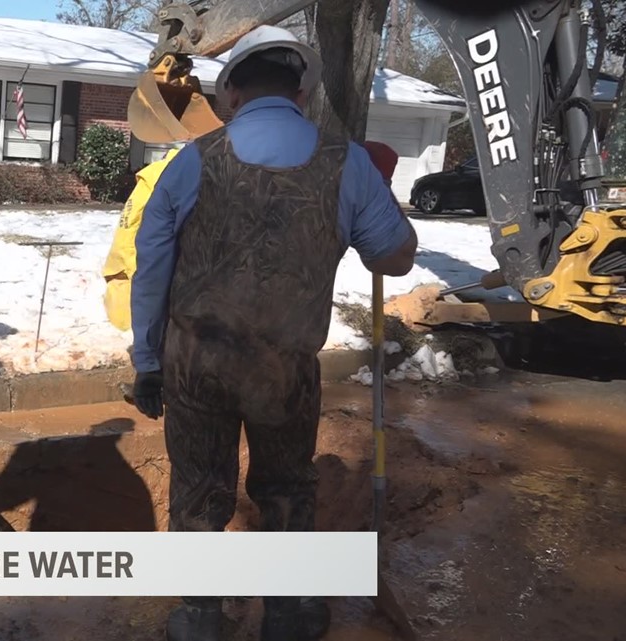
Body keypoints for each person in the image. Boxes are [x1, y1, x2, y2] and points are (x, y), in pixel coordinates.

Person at [128, 25, 418, 641]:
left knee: (200, 486)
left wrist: (147, 360)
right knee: (287, 485)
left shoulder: (188, 163)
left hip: (194, 363)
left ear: (230, 90)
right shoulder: (348, 166)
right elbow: (394, 259)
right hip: (283, 369)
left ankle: (200, 615)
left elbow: (150, 269)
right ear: (304, 92)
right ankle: (287, 614)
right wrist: (379, 201)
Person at [102, 146, 183, 332]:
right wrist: (134, 267)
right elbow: (130, 225)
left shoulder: (159, 174)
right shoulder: (160, 178)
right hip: (139, 268)